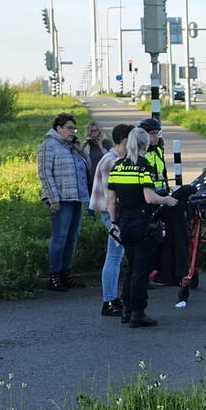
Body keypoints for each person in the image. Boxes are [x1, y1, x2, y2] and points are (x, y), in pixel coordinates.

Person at [106, 127, 179, 328]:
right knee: (141, 270)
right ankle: (138, 313)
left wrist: (113, 223)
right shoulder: (144, 166)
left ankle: (126, 310)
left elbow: (111, 200)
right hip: (142, 222)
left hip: (124, 223)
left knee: (130, 268)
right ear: (144, 144)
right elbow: (150, 197)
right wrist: (167, 200)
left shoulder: (117, 166)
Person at [37, 113, 90, 292]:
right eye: (69, 128)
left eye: (74, 128)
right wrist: (53, 199)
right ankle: (54, 276)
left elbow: (85, 168)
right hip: (61, 200)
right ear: (58, 128)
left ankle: (66, 274)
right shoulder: (48, 146)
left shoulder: (71, 147)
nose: (72, 131)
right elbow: (45, 173)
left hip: (77, 197)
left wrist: (80, 150)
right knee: (59, 238)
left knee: (71, 238)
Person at [89, 123, 133, 317]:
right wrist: (115, 223)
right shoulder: (111, 161)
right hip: (111, 213)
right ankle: (109, 301)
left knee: (115, 256)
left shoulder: (116, 158)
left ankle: (113, 298)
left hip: (113, 213)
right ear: (124, 141)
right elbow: (111, 196)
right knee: (114, 257)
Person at [138, 117, 169, 193]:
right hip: (149, 195)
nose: (156, 137)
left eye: (157, 133)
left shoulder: (158, 150)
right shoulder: (139, 154)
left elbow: (163, 173)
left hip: (162, 192)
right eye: (152, 133)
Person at [78, 121, 113, 189]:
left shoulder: (106, 143)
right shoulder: (87, 144)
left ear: (99, 131)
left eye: (95, 131)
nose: (93, 133)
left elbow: (110, 159)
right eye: (91, 131)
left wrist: (100, 146)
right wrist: (82, 147)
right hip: (90, 179)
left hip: (103, 177)